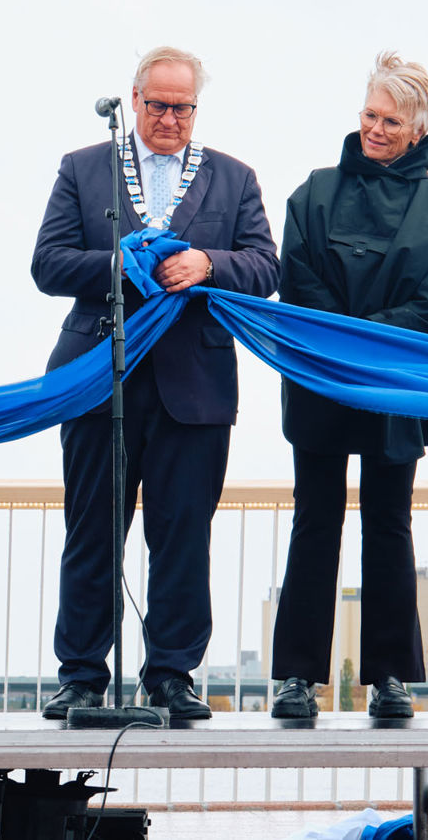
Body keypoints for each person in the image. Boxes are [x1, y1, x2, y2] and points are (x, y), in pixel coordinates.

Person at [31, 46, 280, 720]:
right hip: (98, 378)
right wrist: (118, 263)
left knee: (182, 535)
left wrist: (208, 262)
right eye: (159, 105)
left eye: (183, 107)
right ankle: (81, 674)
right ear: (134, 100)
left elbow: (265, 267)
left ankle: (171, 673)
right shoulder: (85, 169)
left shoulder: (234, 178)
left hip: (194, 386)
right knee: (91, 531)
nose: (170, 118)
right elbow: (47, 264)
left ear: (196, 108)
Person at [268, 52, 428, 720]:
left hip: (392, 388)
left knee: (389, 525)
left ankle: (390, 680)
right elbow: (296, 281)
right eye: (369, 115)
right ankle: (297, 679)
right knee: (315, 520)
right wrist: (357, 342)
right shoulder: (314, 193)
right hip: (324, 380)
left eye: (390, 121)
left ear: (417, 130)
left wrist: (363, 342)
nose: (375, 129)